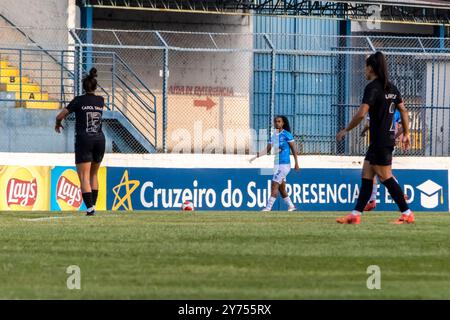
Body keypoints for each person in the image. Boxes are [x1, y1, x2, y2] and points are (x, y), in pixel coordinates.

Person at [336, 52, 413, 224]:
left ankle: (407, 213)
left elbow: (361, 114)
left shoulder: (372, 88)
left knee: (385, 177)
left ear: (371, 68)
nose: (364, 70)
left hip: (380, 141)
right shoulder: (392, 88)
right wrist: (406, 133)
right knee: (366, 175)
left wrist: (346, 130)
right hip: (382, 141)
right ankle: (355, 215)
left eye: (365, 67)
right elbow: (404, 111)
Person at [55, 68, 105, 216]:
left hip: (84, 140)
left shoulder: (78, 100)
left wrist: (57, 123)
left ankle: (90, 209)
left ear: (83, 87)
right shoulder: (101, 100)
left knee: (84, 176)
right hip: (99, 139)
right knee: (94, 174)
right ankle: (93, 206)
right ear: (95, 87)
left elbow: (61, 114)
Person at [250, 115, 300, 211]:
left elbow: (294, 149)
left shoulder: (287, 134)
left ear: (283, 123)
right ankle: (291, 206)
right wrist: (256, 156)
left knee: (274, 184)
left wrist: (296, 163)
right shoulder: (274, 136)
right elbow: (267, 150)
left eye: (279, 121)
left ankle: (268, 208)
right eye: (275, 122)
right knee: (281, 188)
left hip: (284, 164)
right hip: (277, 164)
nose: (277, 123)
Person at [360, 110, 406, 211]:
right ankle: (373, 201)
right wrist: (394, 137)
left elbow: (368, 124)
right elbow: (403, 127)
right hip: (390, 144)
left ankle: (372, 201)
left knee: (374, 171)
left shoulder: (376, 107)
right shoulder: (396, 111)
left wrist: (362, 132)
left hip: (379, 144)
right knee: (383, 172)